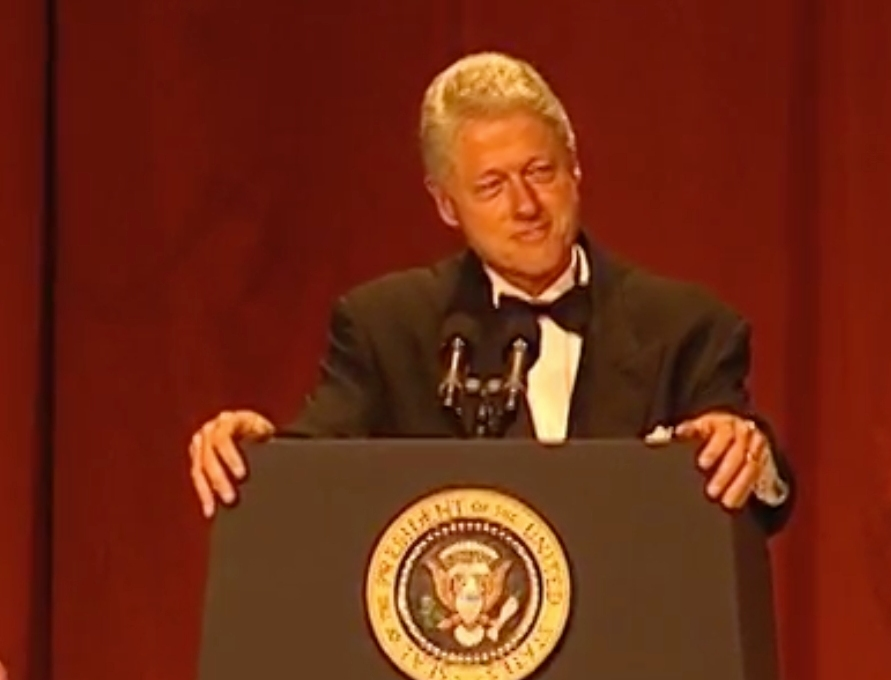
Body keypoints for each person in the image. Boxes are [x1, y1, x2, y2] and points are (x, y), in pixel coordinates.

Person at [188, 51, 794, 534]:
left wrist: (750, 452)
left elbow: (763, 501)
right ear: (446, 205)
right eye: (491, 186)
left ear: (576, 170)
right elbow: (314, 465)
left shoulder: (687, 327)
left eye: (540, 172)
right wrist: (259, 454)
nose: (525, 206)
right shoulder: (386, 328)